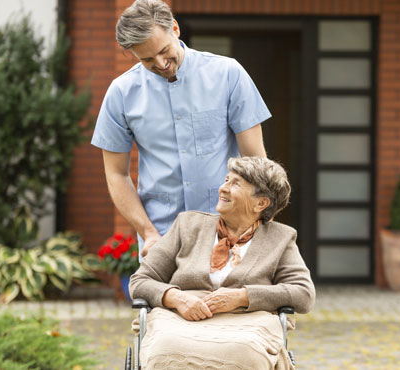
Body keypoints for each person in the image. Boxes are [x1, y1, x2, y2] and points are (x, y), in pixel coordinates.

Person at [91, 0, 270, 257]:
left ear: (175, 28)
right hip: (162, 236)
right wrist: (148, 232)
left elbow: (255, 160)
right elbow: (116, 175)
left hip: (229, 230)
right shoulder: (121, 93)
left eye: (164, 50)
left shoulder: (229, 74)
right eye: (148, 59)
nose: (162, 63)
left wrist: (257, 221)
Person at [130, 157, 315, 370]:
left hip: (247, 323)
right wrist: (176, 298)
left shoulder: (280, 238)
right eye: (226, 180)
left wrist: (241, 297)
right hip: (180, 319)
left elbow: (303, 293)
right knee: (166, 347)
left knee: (244, 352)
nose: (223, 189)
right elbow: (140, 281)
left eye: (235, 184)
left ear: (261, 203)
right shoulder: (187, 224)